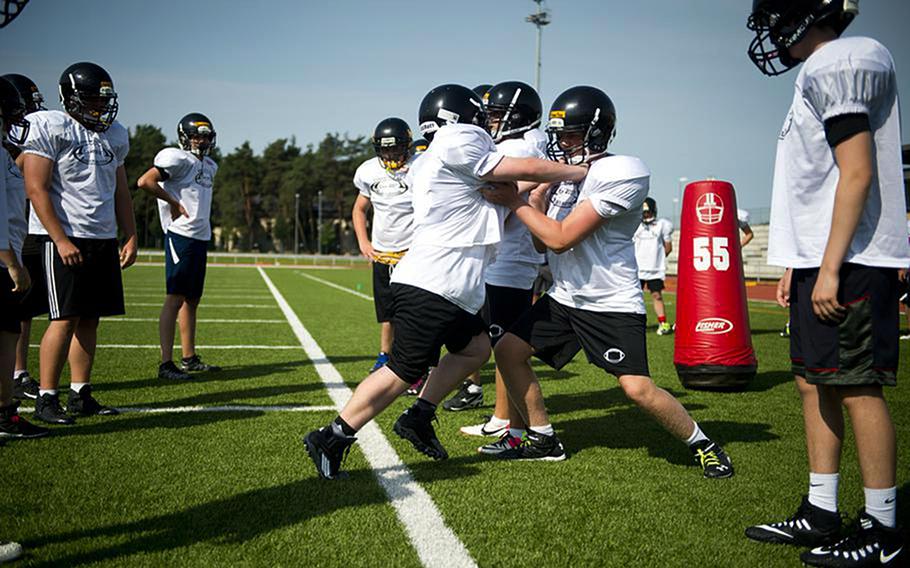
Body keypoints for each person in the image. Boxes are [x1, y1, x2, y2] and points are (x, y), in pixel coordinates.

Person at [302, 83, 589, 479]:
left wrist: (530, 184)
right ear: (461, 119)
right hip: (434, 283)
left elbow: (500, 189)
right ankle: (332, 436)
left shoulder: (430, 159)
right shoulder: (457, 139)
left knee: (474, 349)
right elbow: (521, 171)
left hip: (447, 285)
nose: (485, 124)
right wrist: (578, 171)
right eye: (479, 116)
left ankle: (419, 415)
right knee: (402, 368)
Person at [479, 86, 734, 479]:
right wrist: (537, 198)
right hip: (565, 296)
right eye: (559, 135)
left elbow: (562, 238)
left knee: (637, 390)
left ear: (597, 133)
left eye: (572, 135)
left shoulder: (623, 171)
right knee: (509, 351)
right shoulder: (569, 175)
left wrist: (514, 202)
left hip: (608, 301)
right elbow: (541, 241)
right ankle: (543, 438)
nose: (563, 144)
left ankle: (703, 444)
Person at [744, 2, 907, 565]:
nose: (768, 33)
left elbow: (857, 168)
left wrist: (832, 265)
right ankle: (820, 510)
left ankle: (884, 529)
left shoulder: (839, 59)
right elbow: (816, 179)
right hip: (824, 254)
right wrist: (798, 259)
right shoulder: (824, 66)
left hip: (854, 256)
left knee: (857, 384)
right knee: (816, 382)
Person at [21, 62, 136, 425]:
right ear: (71, 98)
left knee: (90, 319)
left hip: (101, 237)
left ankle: (80, 392)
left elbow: (121, 190)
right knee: (64, 318)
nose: (100, 108)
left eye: (103, 101)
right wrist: (58, 238)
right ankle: (46, 396)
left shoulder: (114, 134)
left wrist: (129, 233)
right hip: (66, 237)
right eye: (91, 100)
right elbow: (35, 187)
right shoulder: (53, 126)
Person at [445, 81, 546, 455]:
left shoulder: (519, 147)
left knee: (506, 345)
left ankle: (513, 424)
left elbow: (500, 206)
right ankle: (505, 418)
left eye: (498, 115)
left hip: (510, 262)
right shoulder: (522, 145)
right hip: (509, 260)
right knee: (503, 343)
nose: (490, 122)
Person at [136, 113, 220, 380]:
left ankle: (189, 357)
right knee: (175, 298)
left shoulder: (210, 165)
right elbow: (145, 181)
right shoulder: (177, 158)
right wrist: (172, 202)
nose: (202, 140)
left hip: (200, 236)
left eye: (206, 135)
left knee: (192, 300)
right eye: (197, 135)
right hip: (181, 235)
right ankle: (165, 363)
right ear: (185, 136)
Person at [0, 76, 48, 440]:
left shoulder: (5, 153)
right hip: (3, 260)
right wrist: (12, 262)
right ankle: (5, 416)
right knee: (5, 334)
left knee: (10, 330)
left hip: (9, 254)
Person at [351, 117, 416, 374]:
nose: (391, 153)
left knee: (411, 313)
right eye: (386, 148)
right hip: (382, 253)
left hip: (413, 254)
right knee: (387, 314)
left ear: (407, 146)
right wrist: (363, 242)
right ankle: (384, 355)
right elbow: (359, 209)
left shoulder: (420, 168)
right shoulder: (368, 171)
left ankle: (415, 360)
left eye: (396, 147)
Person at [633, 197, 674, 335]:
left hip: (655, 270)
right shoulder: (635, 225)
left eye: (648, 212)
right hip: (636, 269)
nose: (646, 215)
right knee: (633, 297)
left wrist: (657, 259)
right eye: (644, 212)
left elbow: (668, 247)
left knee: (657, 295)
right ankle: (633, 325)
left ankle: (663, 323)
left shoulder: (662, 225)